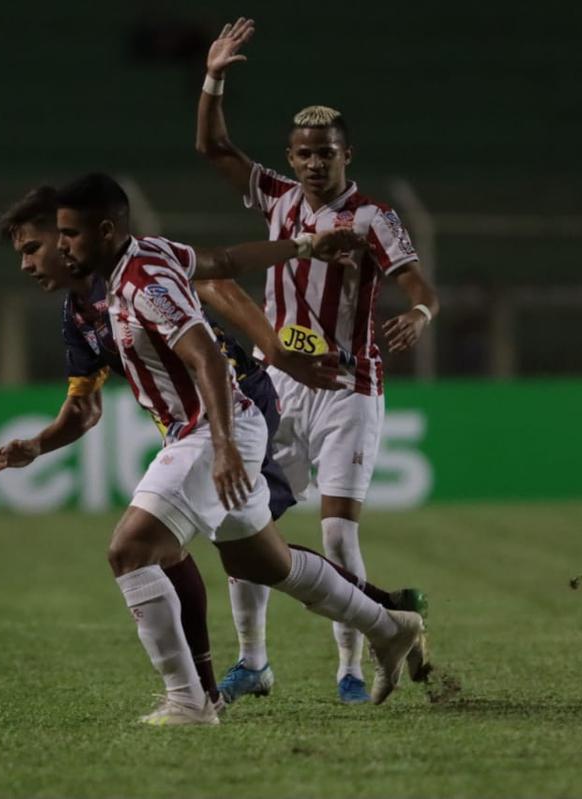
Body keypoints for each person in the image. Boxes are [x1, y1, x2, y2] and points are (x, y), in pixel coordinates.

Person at [0, 186, 429, 712]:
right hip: (200, 426)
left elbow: (215, 308)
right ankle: (388, 622)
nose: (28, 262)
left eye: (36, 246)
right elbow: (85, 405)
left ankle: (197, 697)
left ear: (74, 238)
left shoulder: (140, 277)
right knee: (263, 561)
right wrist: (37, 445)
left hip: (227, 414)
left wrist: (270, 361)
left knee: (135, 549)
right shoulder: (81, 313)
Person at [195, 17, 441, 704]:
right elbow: (211, 146)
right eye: (303, 153)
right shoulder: (274, 198)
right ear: (291, 154)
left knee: (335, 531)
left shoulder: (371, 218)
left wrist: (419, 313)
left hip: (347, 386)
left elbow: (418, 282)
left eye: (325, 153)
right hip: (279, 385)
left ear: (346, 155)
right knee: (243, 523)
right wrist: (213, 77)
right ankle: (254, 661)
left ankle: (353, 670)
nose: (312, 163)